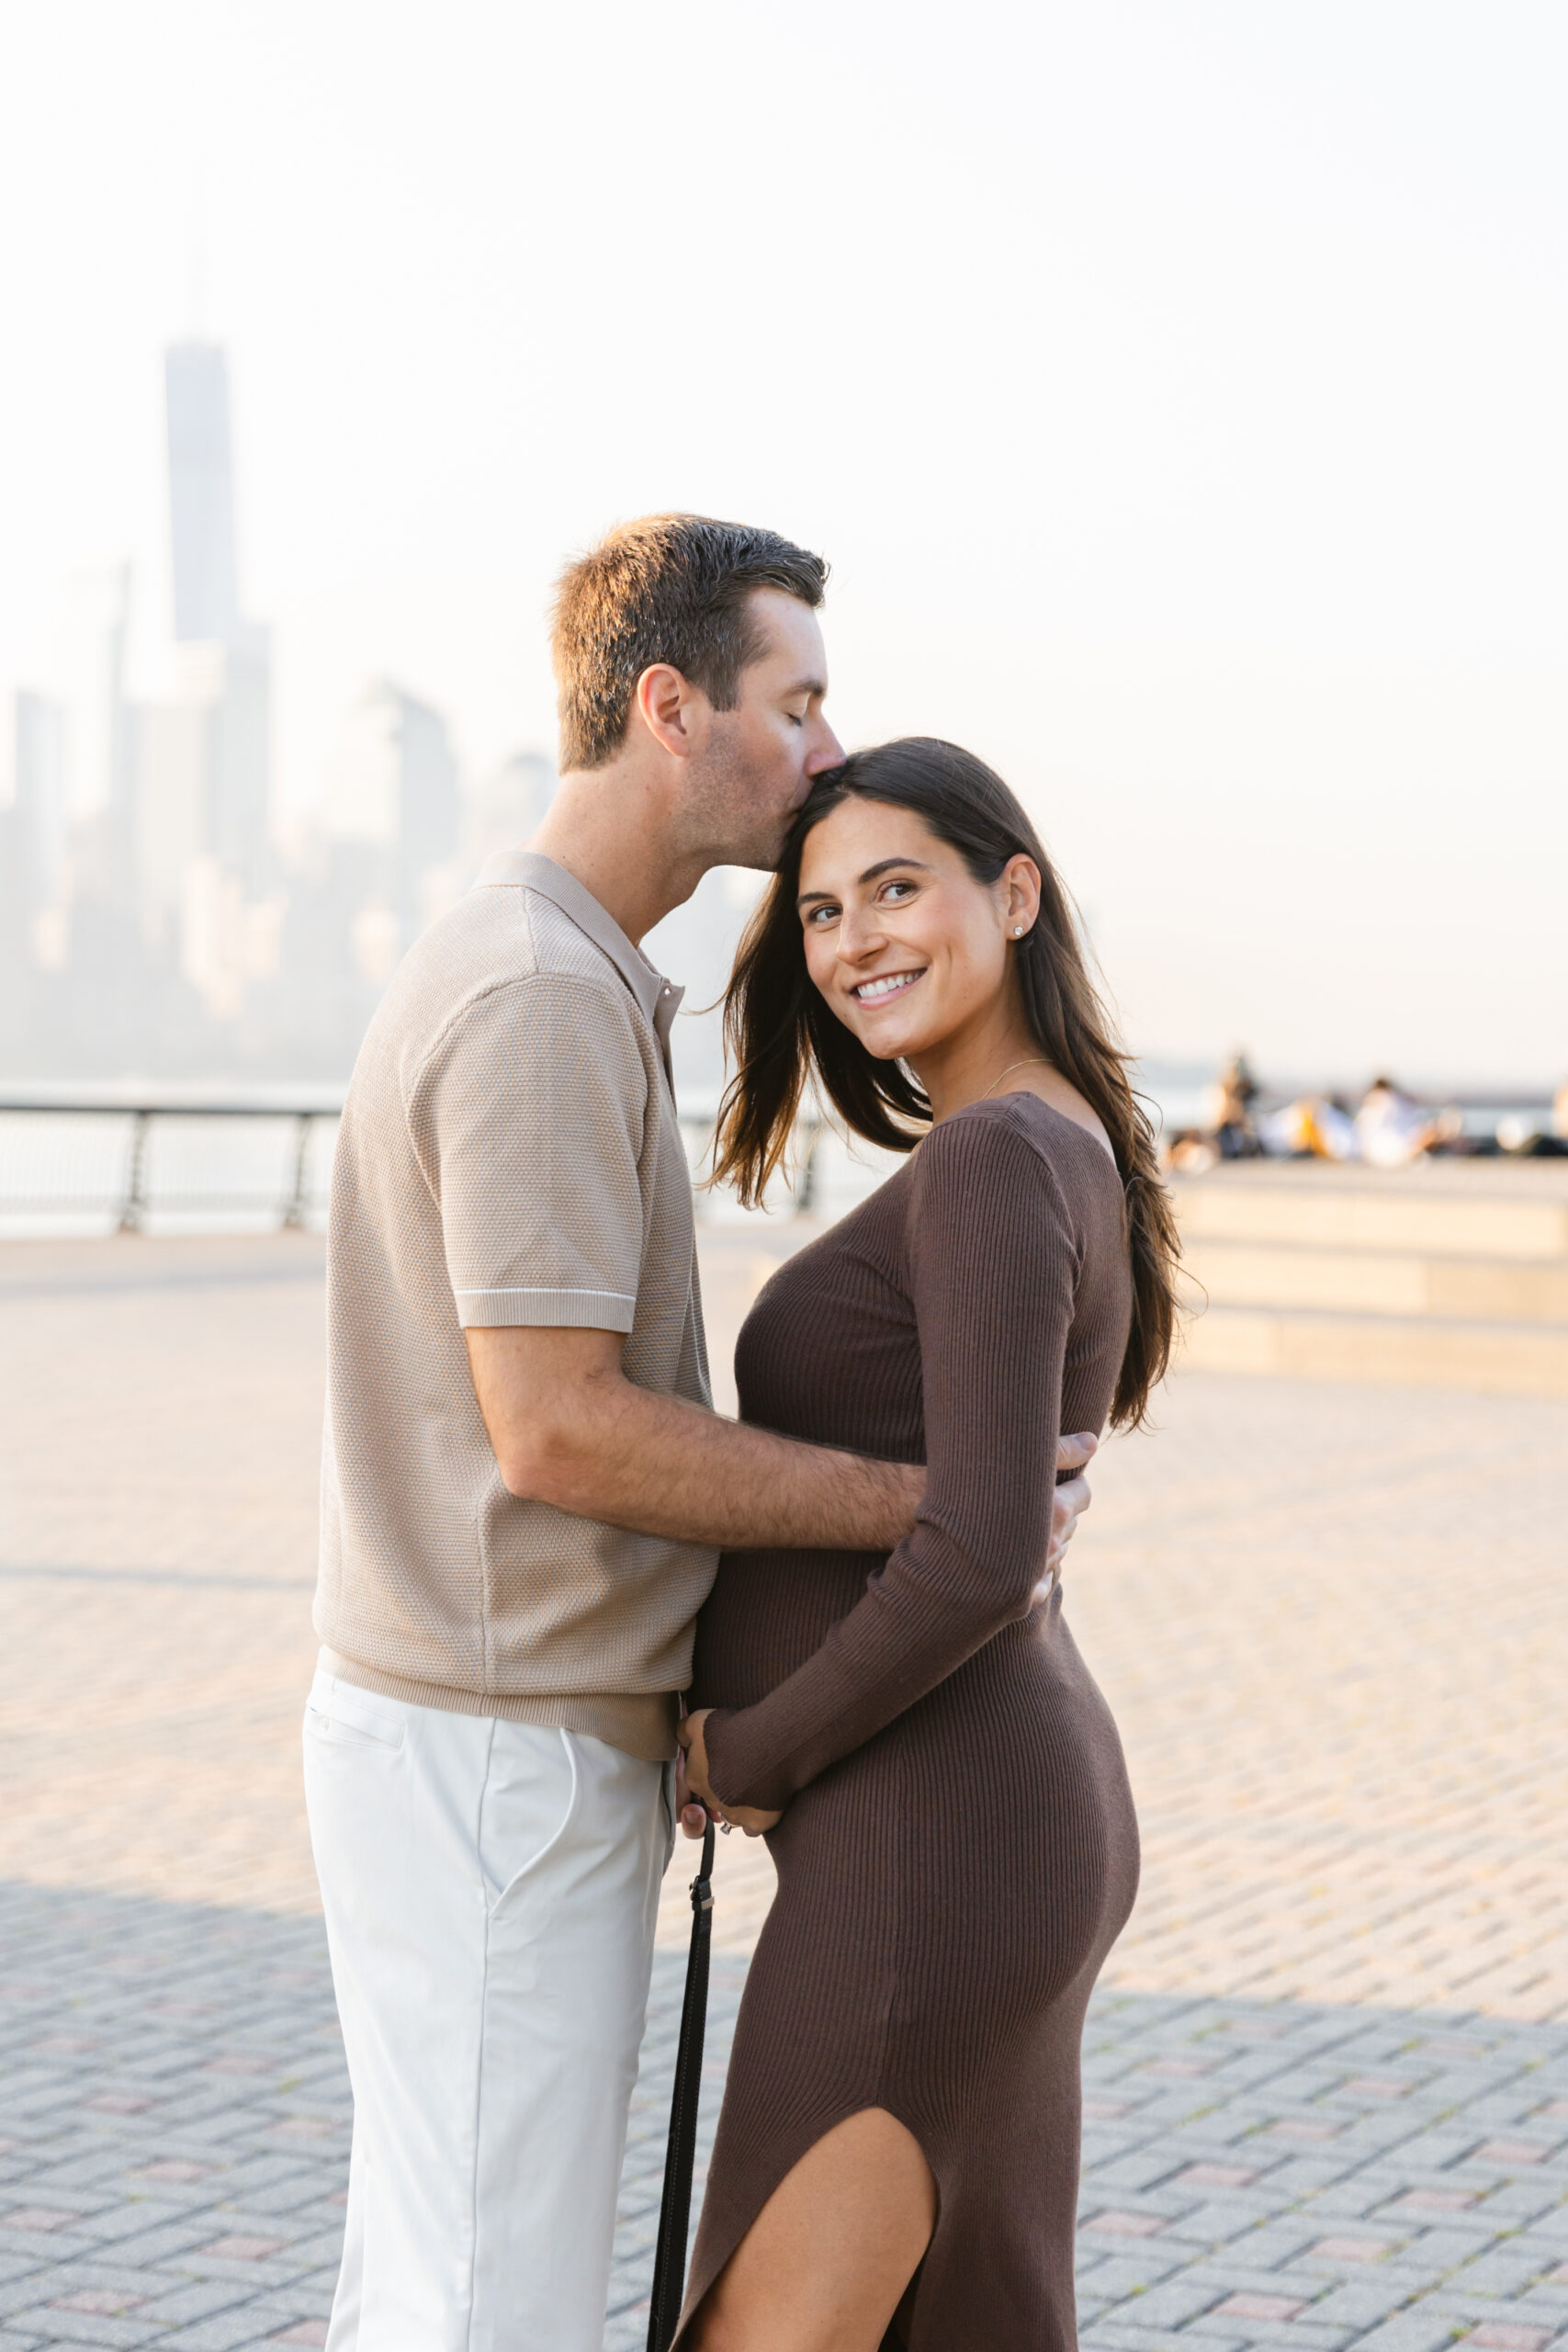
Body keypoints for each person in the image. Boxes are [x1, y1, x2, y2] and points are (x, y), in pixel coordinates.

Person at [302, 518, 1096, 2352]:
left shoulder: (560, 969)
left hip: (486, 1735)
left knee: (436, 2278)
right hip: (496, 1753)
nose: (825, 749)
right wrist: (930, 1502)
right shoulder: (533, 993)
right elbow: (558, 1430)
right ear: (670, 706)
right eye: (793, 700)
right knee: (484, 2303)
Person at [676, 738, 1181, 2352]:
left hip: (933, 1840)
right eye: (821, 912)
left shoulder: (989, 1157)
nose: (854, 942)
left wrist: (748, 1747)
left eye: (898, 888)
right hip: (986, 1817)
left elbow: (978, 1547)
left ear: (1013, 892)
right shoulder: (1051, 1146)